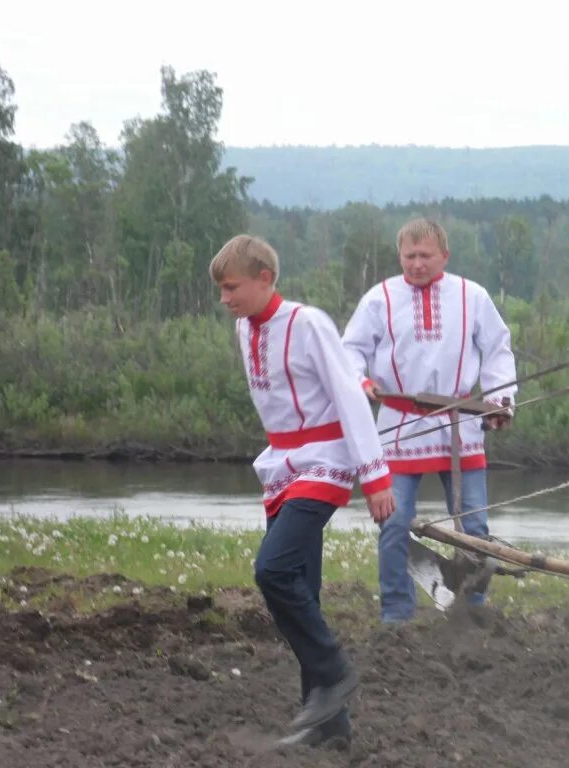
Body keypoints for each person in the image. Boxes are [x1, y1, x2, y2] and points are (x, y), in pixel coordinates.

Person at [210, 234, 395, 747]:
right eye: (221, 291)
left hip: (326, 460)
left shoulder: (308, 322)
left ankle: (334, 673)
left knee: (271, 570)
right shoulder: (244, 329)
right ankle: (329, 726)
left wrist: (375, 477)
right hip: (282, 466)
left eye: (232, 288)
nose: (225, 299)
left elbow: (348, 395)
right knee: (301, 592)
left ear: (264, 278)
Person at [342, 218, 517, 623]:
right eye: (409, 256)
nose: (417, 264)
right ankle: (397, 615)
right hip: (398, 426)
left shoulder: (472, 296)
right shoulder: (378, 299)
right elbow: (349, 350)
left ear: (444, 256)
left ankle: (471, 610)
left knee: (475, 527)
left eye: (425, 256)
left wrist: (500, 401)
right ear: (400, 256)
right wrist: (360, 382)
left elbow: (497, 349)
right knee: (393, 521)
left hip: (461, 424)